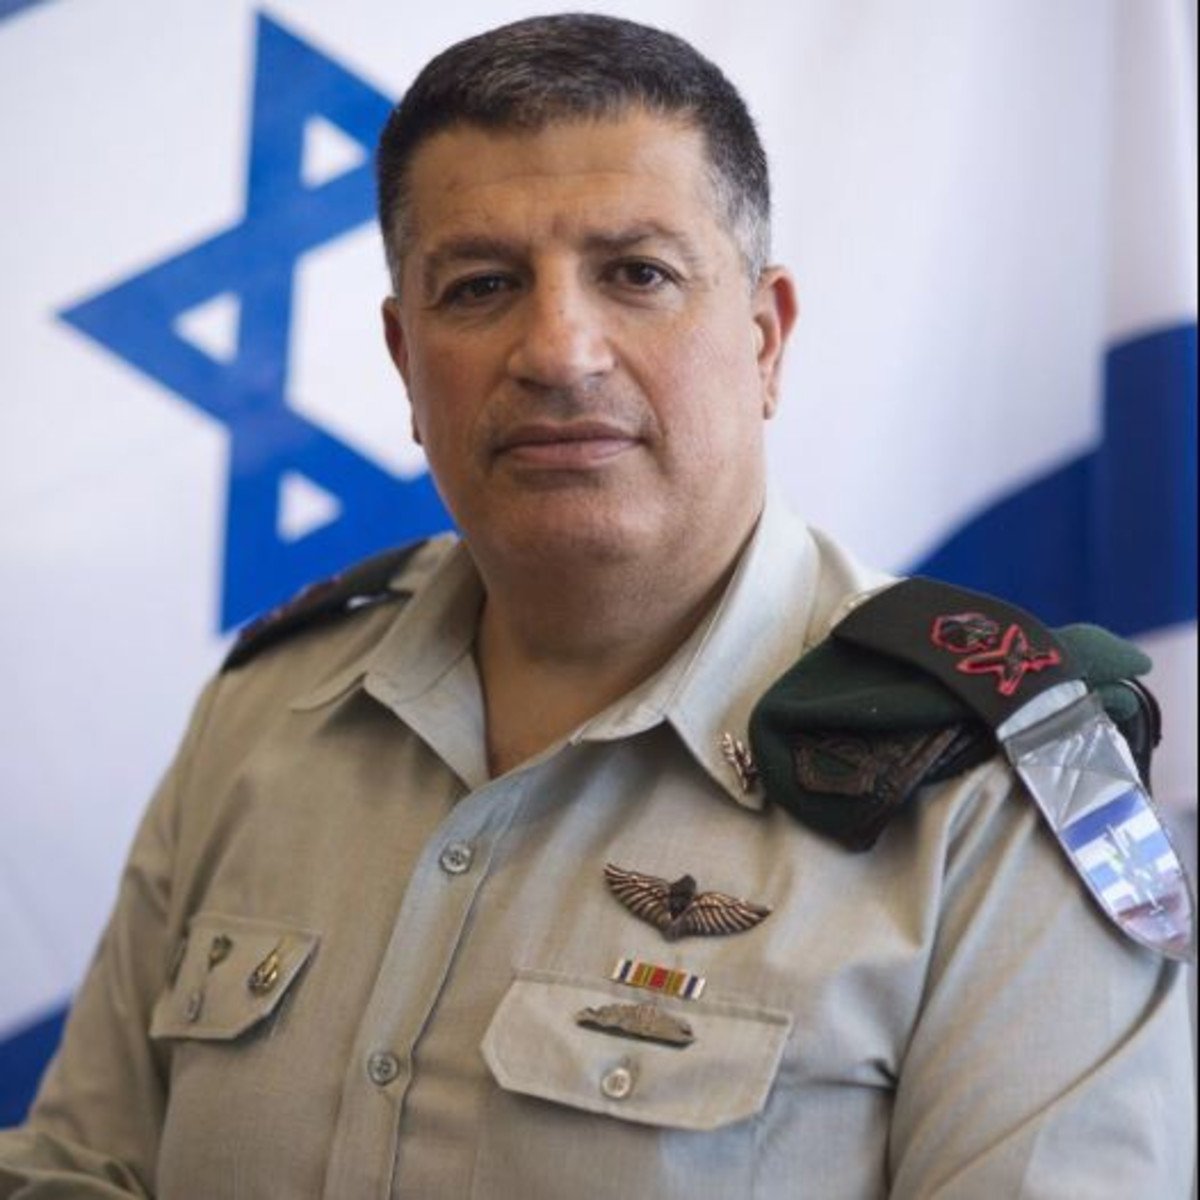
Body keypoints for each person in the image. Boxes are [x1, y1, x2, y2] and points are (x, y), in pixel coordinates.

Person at [0, 13, 1193, 1199]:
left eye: (638, 274)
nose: (560, 351)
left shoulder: (993, 788)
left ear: (765, 340)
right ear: (405, 359)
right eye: (481, 286)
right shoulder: (268, 712)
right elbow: (76, 1171)